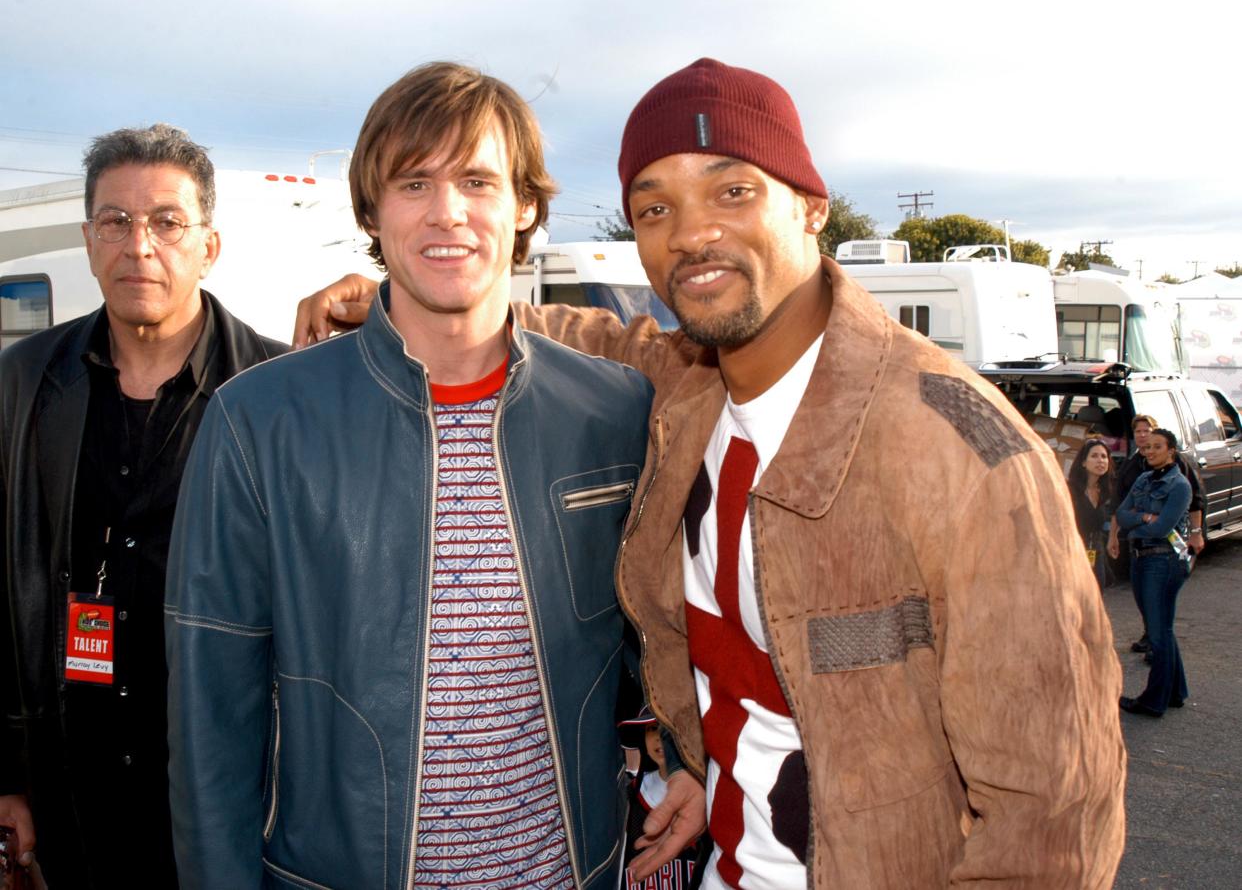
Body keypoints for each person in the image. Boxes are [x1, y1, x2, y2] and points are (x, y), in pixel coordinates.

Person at [296, 57, 1126, 887]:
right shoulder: (686, 390)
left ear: (812, 205)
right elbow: (586, 336)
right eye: (655, 207)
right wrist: (411, 296)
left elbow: (1051, 819)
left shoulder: (959, 452)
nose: (691, 233)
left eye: (732, 192)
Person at [164, 62, 702, 889]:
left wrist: (692, 755)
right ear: (372, 212)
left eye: (478, 181)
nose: (448, 212)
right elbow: (211, 724)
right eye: (414, 182)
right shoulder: (257, 423)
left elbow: (663, 630)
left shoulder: (613, 410)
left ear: (525, 206)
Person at [0, 124, 285, 888]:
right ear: (89, 239)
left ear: (209, 245)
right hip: (72, 793)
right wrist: (10, 774)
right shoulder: (23, 383)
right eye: (116, 222)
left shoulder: (275, 390)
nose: (140, 246)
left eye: (166, 222)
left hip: (228, 793)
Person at [1108, 413, 1205, 657]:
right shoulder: (1137, 471)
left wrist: (1195, 533)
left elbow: (1190, 503)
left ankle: (1162, 689)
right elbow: (1120, 510)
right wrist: (1139, 520)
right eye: (1139, 434)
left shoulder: (1178, 474)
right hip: (1139, 552)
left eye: (1149, 435)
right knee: (1156, 622)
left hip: (1165, 554)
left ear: (1169, 449)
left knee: (1161, 627)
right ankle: (1170, 687)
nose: (1145, 441)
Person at [1116, 428, 1193, 717]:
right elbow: (1121, 514)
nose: (1149, 452)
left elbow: (1163, 528)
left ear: (1171, 450)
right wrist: (1144, 519)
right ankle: (1175, 691)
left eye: (1156, 447)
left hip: (1164, 561)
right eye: (1147, 448)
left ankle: (1153, 700)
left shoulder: (1179, 485)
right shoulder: (1143, 479)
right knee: (1161, 627)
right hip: (1141, 558)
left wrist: (1135, 526)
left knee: (1159, 633)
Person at [619, 708, 701, 890]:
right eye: (652, 728)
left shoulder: (710, 796)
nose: (660, 737)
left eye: (669, 727)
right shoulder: (626, 796)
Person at [1068, 438, 1117, 588]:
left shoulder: (1107, 491)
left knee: (1096, 596)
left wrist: (1112, 538)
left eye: (1104, 457)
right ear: (1083, 462)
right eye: (1094, 456)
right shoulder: (1070, 489)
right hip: (1073, 550)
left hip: (1096, 550)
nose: (1100, 461)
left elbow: (1116, 513)